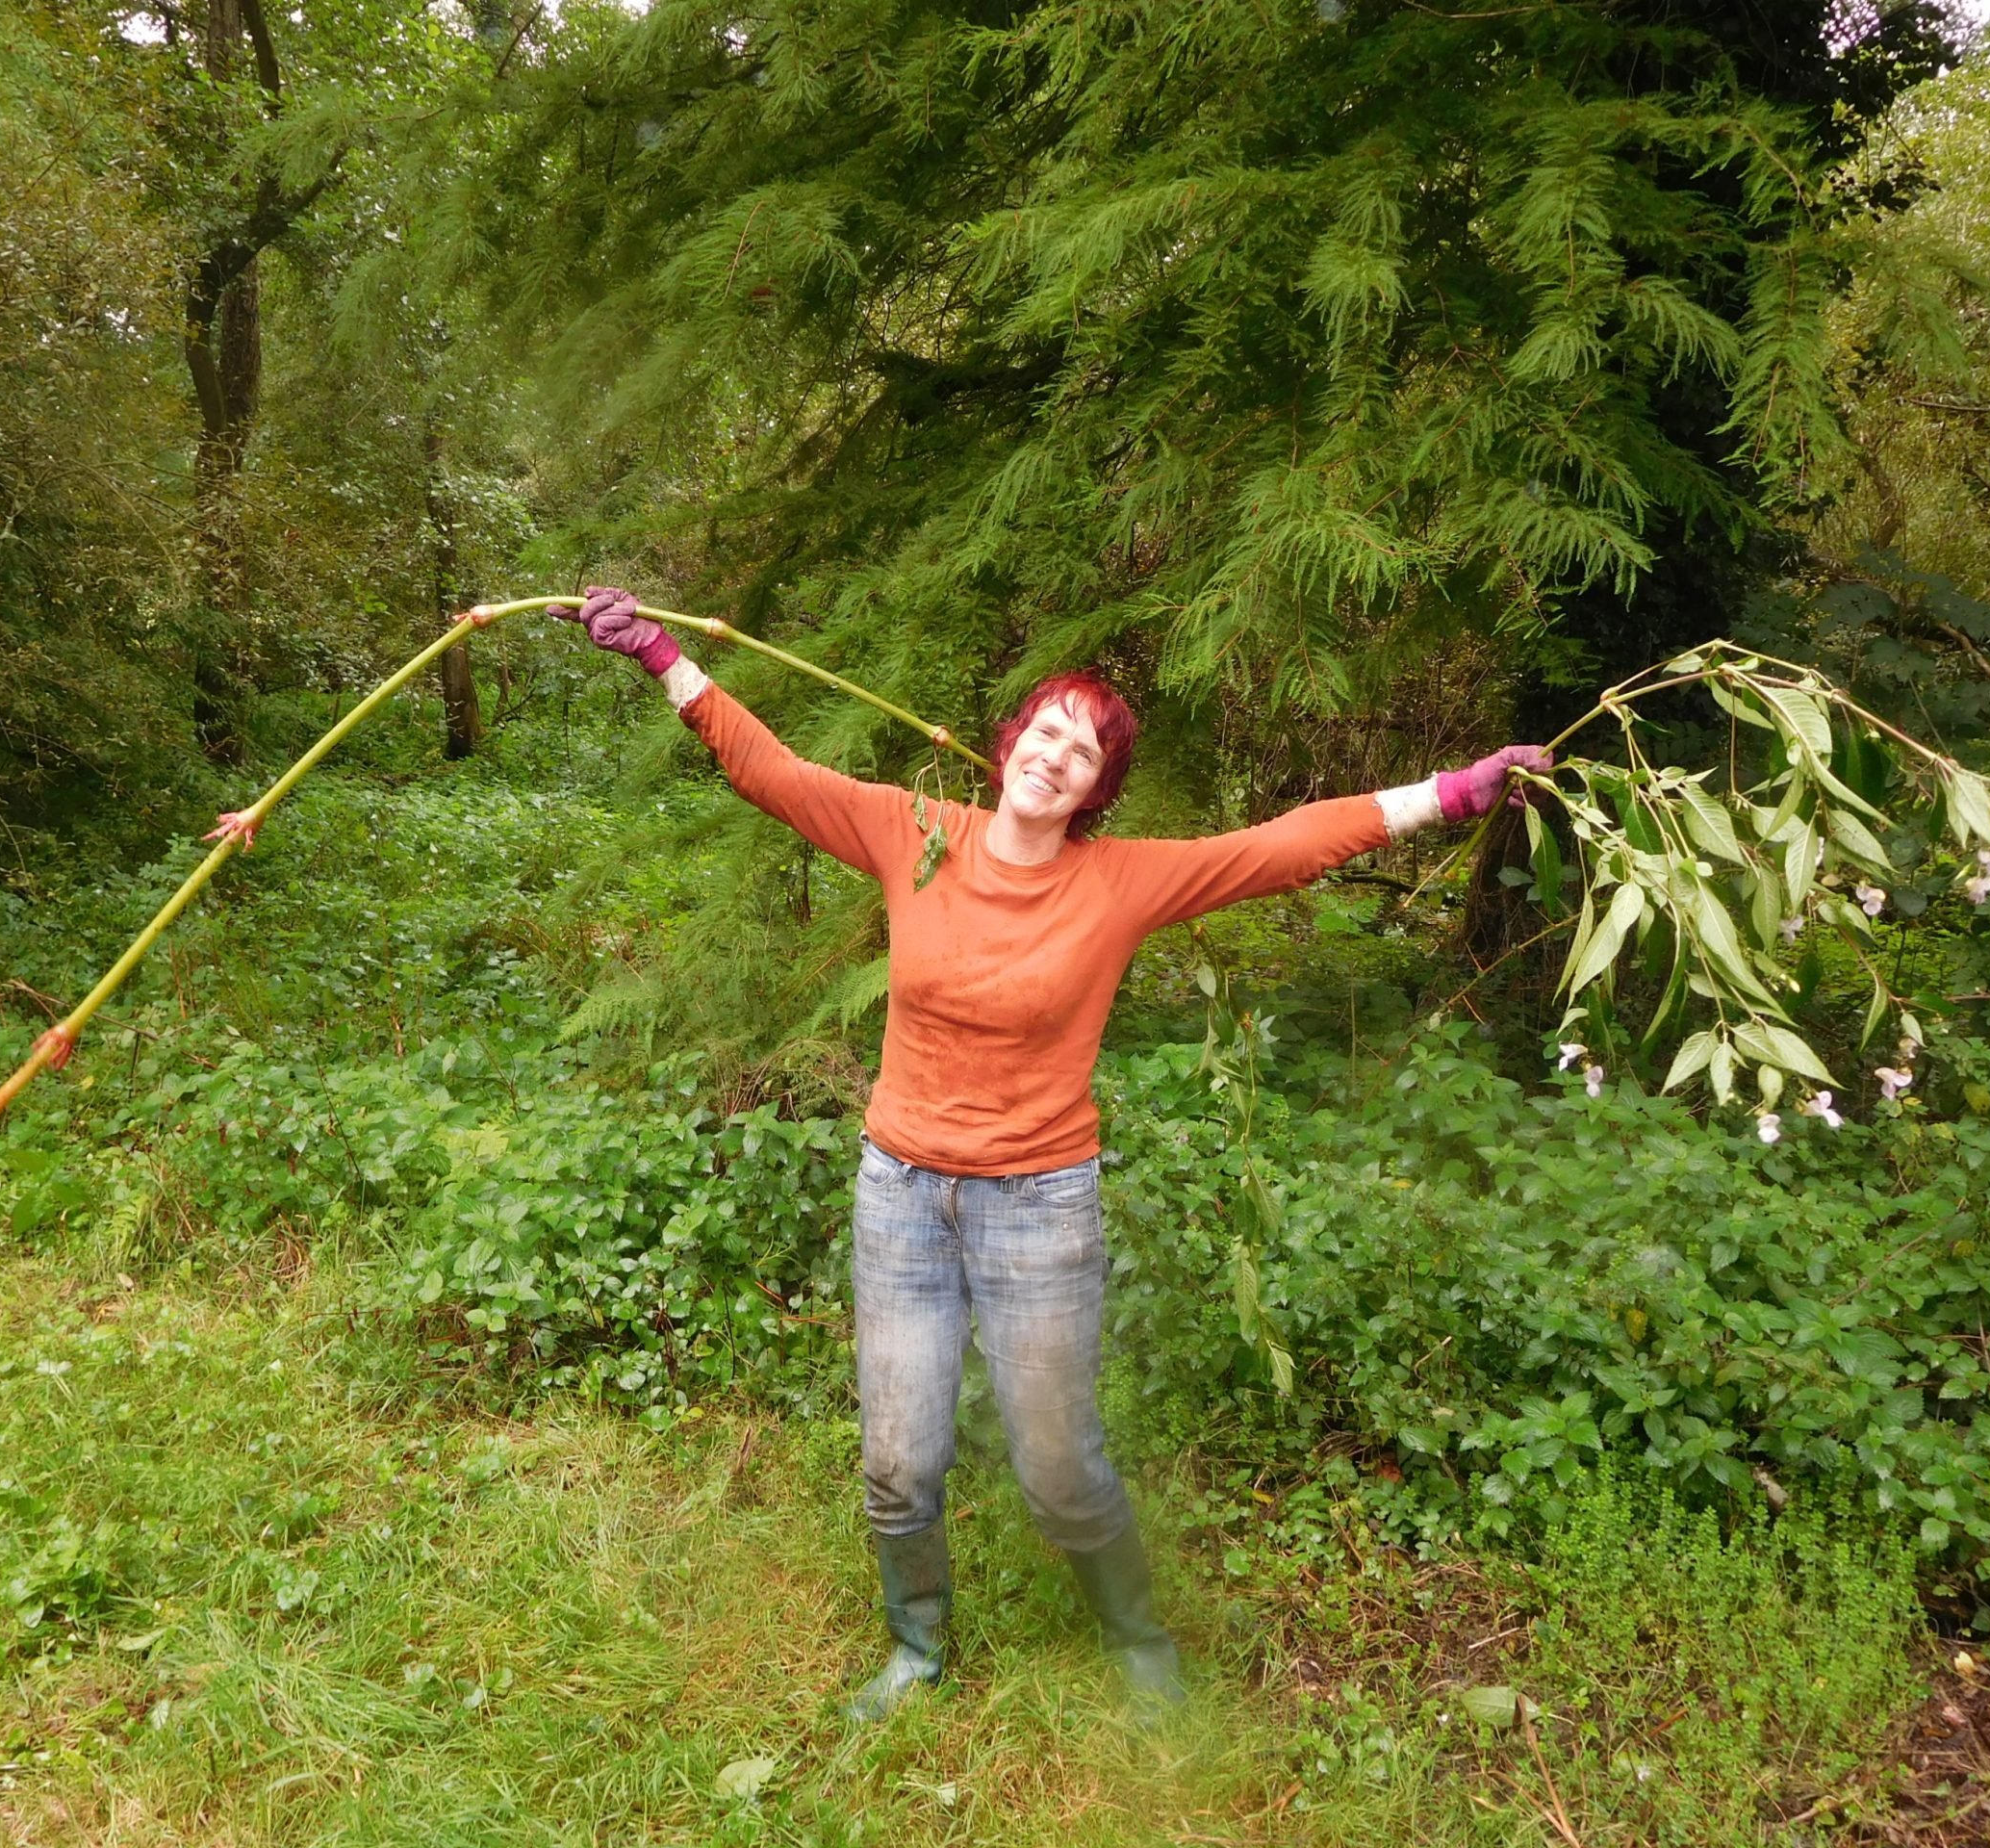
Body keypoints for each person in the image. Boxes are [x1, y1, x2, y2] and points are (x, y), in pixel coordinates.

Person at [560, 586, 1547, 1721]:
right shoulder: (914, 835)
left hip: (1038, 1205)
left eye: (1082, 751)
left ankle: (1137, 1640)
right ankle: (916, 1653)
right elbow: (773, 774)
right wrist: (665, 660)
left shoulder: (1118, 882)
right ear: (1007, 746)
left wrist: (1454, 792)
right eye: (1045, 731)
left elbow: (1278, 846)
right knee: (897, 1466)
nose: (1055, 754)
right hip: (901, 1197)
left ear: (1095, 790)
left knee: (1058, 1465)